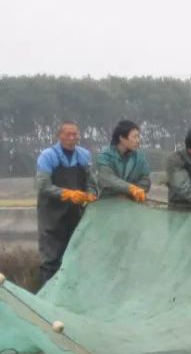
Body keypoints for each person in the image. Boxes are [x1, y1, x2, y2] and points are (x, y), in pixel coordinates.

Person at [35, 121, 98, 283]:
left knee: (75, 259)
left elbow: (91, 181)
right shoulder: (48, 156)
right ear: (59, 136)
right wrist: (67, 193)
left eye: (75, 134)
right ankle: (46, 299)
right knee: (51, 261)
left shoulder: (83, 155)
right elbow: (42, 186)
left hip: (76, 215)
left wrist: (90, 194)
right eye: (67, 134)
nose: (72, 138)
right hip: (51, 217)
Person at [95, 120, 151, 203]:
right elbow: (106, 178)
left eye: (138, 137)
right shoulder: (105, 156)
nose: (138, 140)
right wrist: (130, 189)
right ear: (121, 138)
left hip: (132, 203)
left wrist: (134, 192)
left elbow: (145, 180)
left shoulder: (139, 157)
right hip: (108, 204)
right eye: (134, 137)